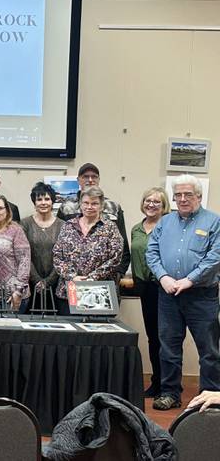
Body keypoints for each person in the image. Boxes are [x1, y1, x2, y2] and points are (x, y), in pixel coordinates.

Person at [146, 174, 220, 411]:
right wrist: (164, 277)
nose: (183, 199)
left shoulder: (213, 222)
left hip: (202, 296)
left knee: (209, 350)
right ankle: (169, 393)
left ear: (199, 196)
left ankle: (210, 395)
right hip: (168, 295)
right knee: (168, 347)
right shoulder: (165, 222)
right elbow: (152, 252)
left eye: (188, 194)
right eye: (178, 195)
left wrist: (189, 280)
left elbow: (215, 257)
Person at [52, 186, 124, 312]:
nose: (89, 207)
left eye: (94, 203)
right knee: (70, 330)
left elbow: (115, 258)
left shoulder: (110, 228)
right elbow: (57, 256)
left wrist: (91, 279)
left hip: (98, 292)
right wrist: (72, 276)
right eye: (86, 203)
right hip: (69, 291)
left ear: (101, 206)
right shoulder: (68, 226)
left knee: (95, 331)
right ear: (80, 204)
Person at [130, 187, 170, 398]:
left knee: (167, 338)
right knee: (152, 338)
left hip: (164, 288)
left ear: (164, 206)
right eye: (148, 200)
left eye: (157, 201)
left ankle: (168, 385)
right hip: (145, 288)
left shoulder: (170, 226)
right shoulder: (137, 228)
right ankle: (157, 382)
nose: (151, 204)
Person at [57, 162, 131, 277]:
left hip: (104, 280)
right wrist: (70, 275)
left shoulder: (113, 207)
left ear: (99, 179)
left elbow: (123, 245)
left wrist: (120, 273)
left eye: (94, 176)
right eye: (85, 176)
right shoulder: (66, 207)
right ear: (78, 180)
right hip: (72, 280)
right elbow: (59, 249)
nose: (90, 180)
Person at [20, 182, 65, 313]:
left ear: (53, 202)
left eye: (47, 199)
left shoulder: (63, 226)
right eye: (39, 199)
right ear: (34, 202)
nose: (43, 202)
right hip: (30, 283)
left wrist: (49, 281)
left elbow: (64, 256)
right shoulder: (25, 224)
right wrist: (37, 280)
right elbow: (23, 255)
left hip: (56, 284)